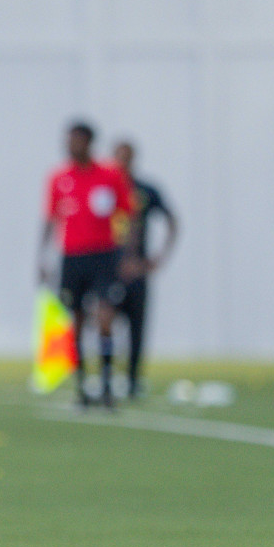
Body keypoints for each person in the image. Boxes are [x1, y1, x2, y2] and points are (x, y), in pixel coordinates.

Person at [38, 122, 133, 408]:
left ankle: (106, 385)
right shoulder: (59, 178)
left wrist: (127, 255)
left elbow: (126, 215)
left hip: (104, 256)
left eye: (75, 140)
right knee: (76, 323)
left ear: (88, 142)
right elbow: (50, 219)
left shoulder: (109, 175)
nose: (69, 145)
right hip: (72, 257)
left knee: (105, 319)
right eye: (67, 140)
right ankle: (82, 388)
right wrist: (42, 258)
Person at [112, 140, 178, 400]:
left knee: (137, 326)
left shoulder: (145, 191)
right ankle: (104, 374)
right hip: (108, 269)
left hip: (136, 270)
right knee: (102, 321)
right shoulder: (103, 188)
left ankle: (132, 379)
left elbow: (172, 220)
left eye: (126, 158)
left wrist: (158, 259)